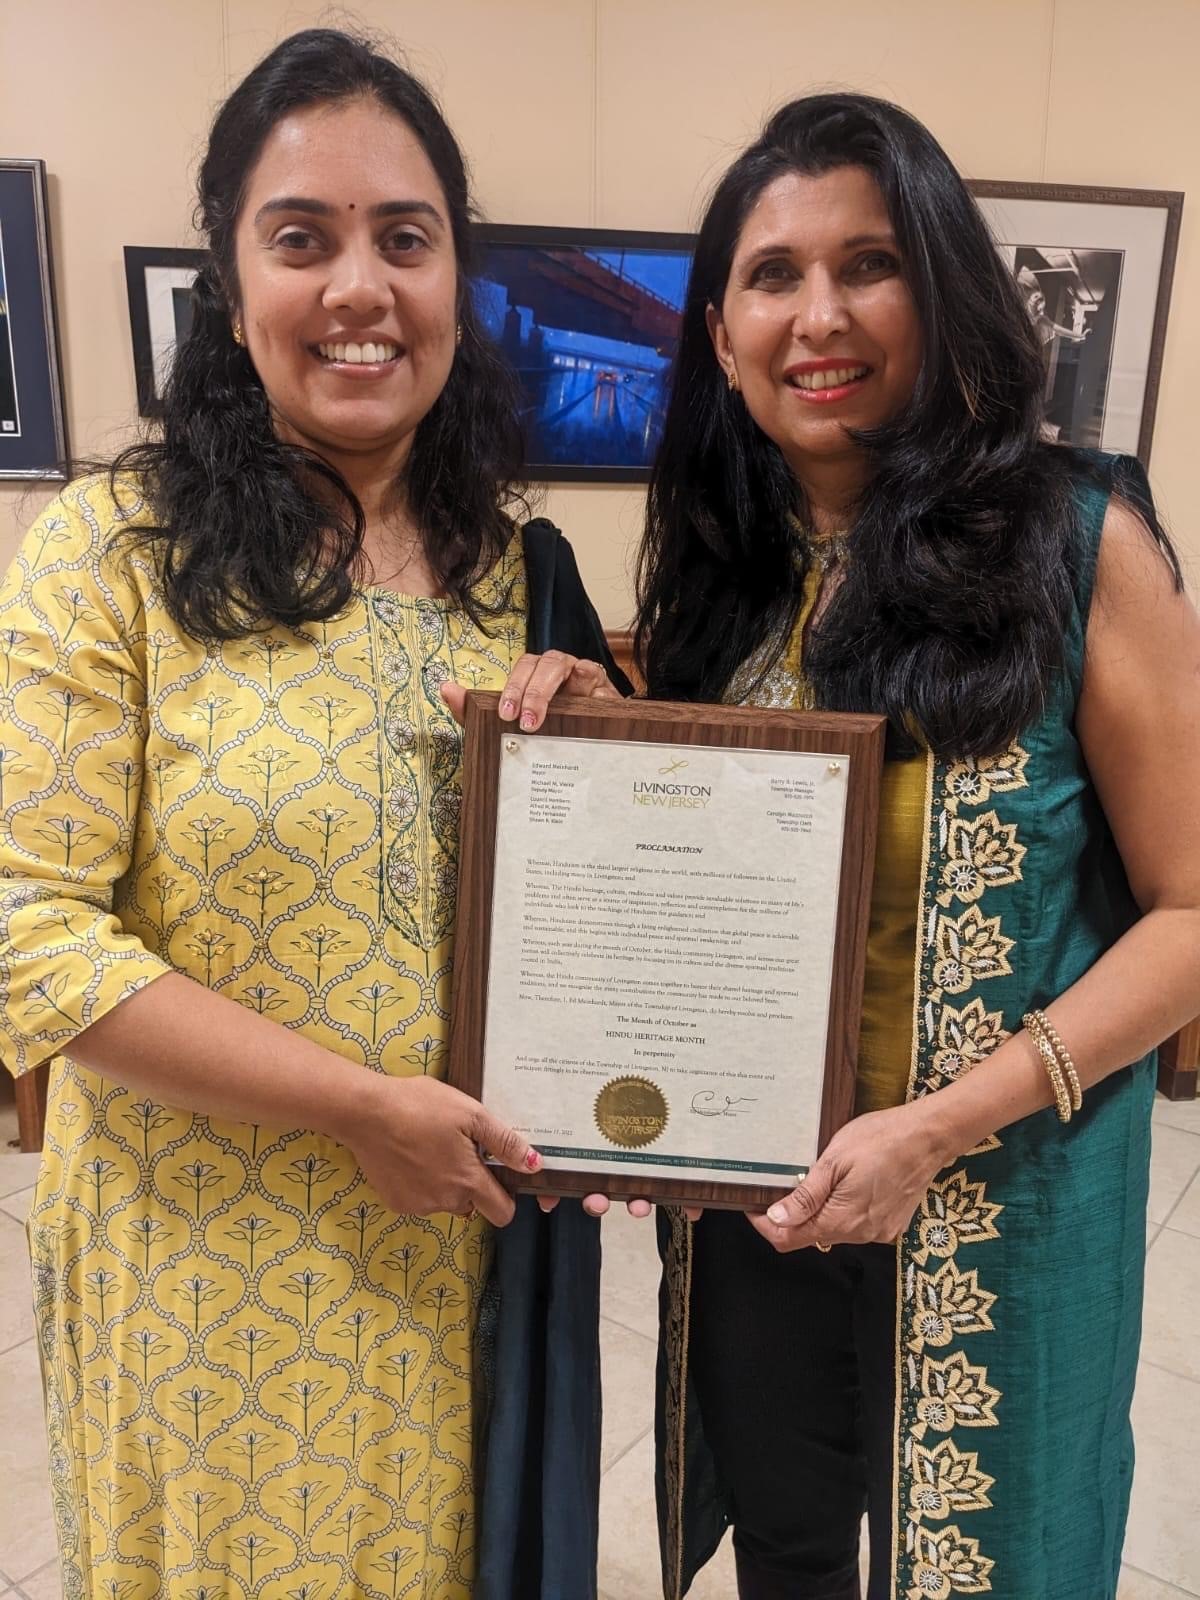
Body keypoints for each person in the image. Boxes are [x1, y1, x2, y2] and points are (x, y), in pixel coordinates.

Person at [503, 93, 1200, 1600]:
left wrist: (936, 1128)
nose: (819, 316)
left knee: (995, 1558)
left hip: (1001, 1193)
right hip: (762, 1214)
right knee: (789, 1545)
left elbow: (1192, 912)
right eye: (773, 275)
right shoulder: (723, 578)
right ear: (719, 332)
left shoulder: (1081, 544)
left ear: (941, 294)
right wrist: (588, 746)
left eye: (869, 264)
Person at [0, 29, 618, 1600]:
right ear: (230, 283)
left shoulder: (519, 578)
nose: (362, 287)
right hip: (200, 1271)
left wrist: (612, 756)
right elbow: (26, 935)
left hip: (454, 1267)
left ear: (457, 279)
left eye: (405, 239)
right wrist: (355, 1107)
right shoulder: (116, 553)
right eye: (302, 239)